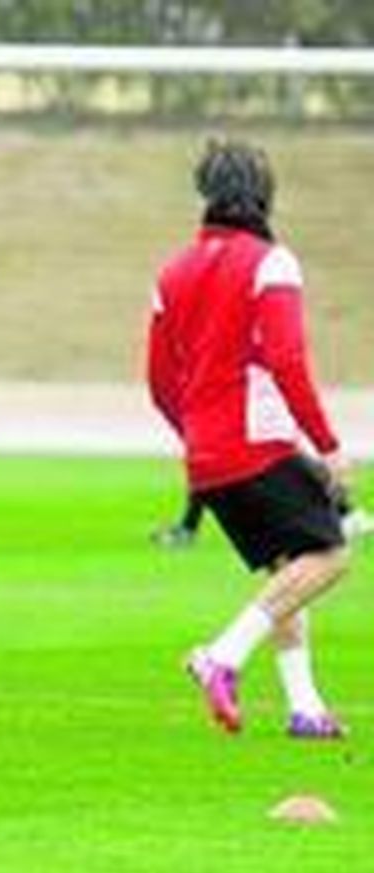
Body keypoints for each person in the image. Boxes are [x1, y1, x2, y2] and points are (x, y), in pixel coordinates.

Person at [147, 138, 351, 740]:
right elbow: (286, 358)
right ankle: (223, 656)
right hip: (258, 443)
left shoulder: (172, 273)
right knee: (330, 554)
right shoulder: (272, 262)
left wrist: (198, 437)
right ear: (265, 193)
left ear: (205, 193)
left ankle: (305, 706)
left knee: (287, 566)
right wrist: (328, 443)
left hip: (206, 457)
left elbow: (159, 381)